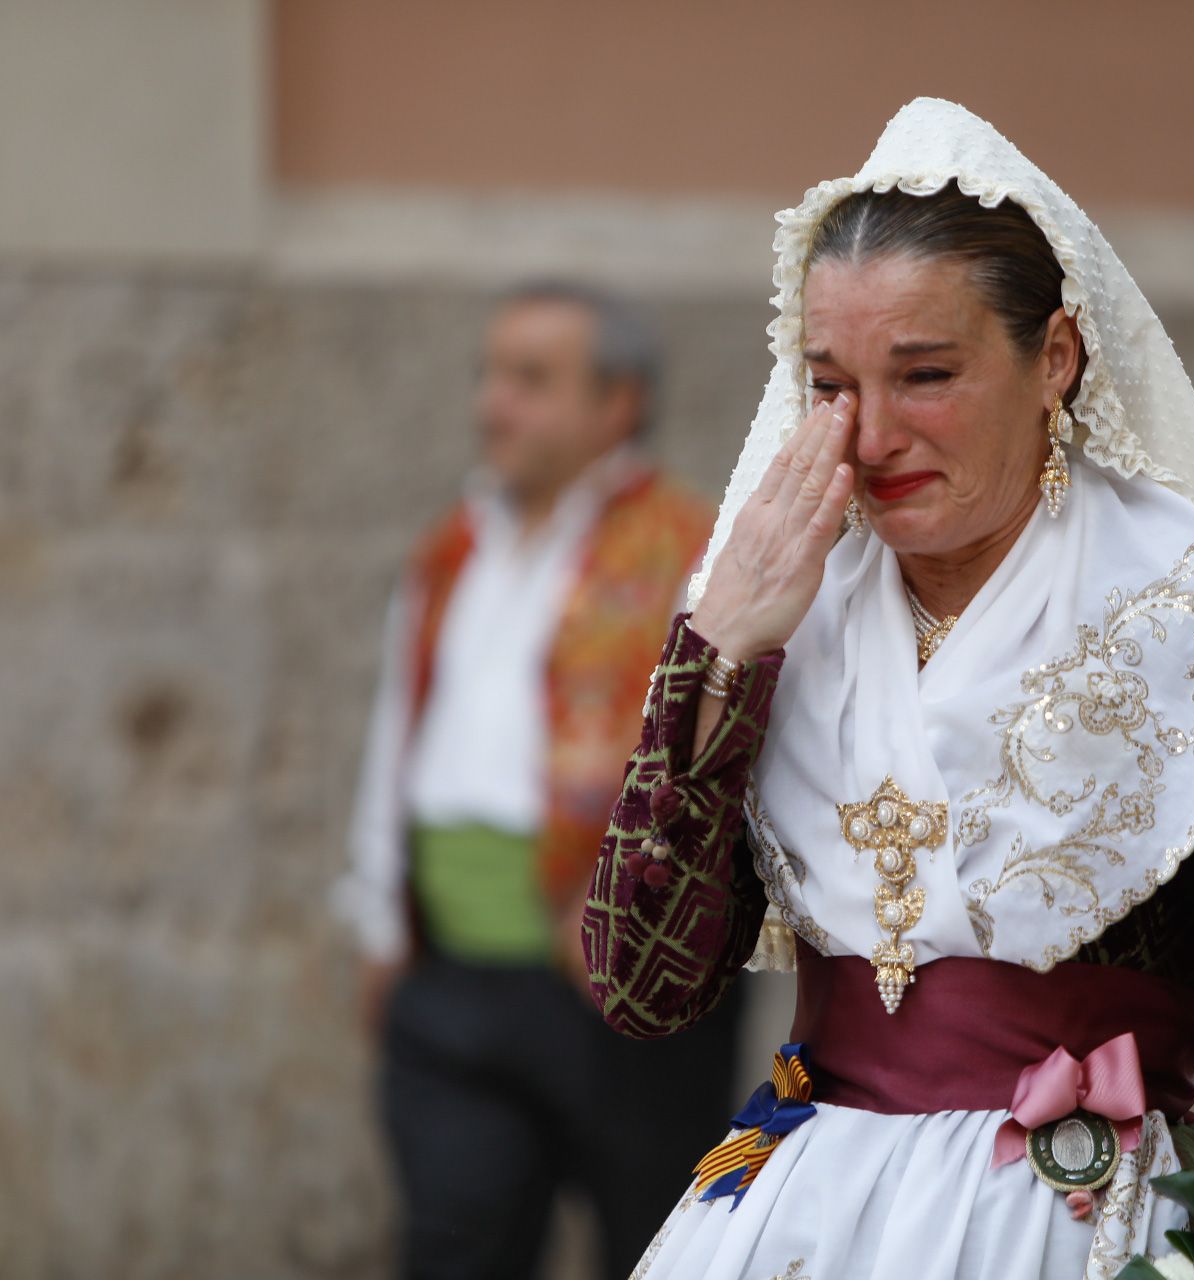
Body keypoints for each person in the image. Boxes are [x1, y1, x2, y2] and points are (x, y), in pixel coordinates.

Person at [579, 99, 1194, 1280]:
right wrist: (717, 658)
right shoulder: (781, 601)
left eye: (927, 374)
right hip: (799, 1211)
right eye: (831, 384)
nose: (873, 436)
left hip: (1072, 1218)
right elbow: (643, 987)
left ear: (1055, 356)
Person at [334, 281, 740, 1278]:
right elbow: (401, 731)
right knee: (454, 1241)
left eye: (530, 379)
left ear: (619, 401)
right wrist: (384, 912)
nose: (492, 403)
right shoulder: (453, 548)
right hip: (452, 976)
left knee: (649, 1245)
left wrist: (638, 906)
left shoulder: (700, 553)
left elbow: (732, 769)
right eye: (490, 374)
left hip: (620, 987)